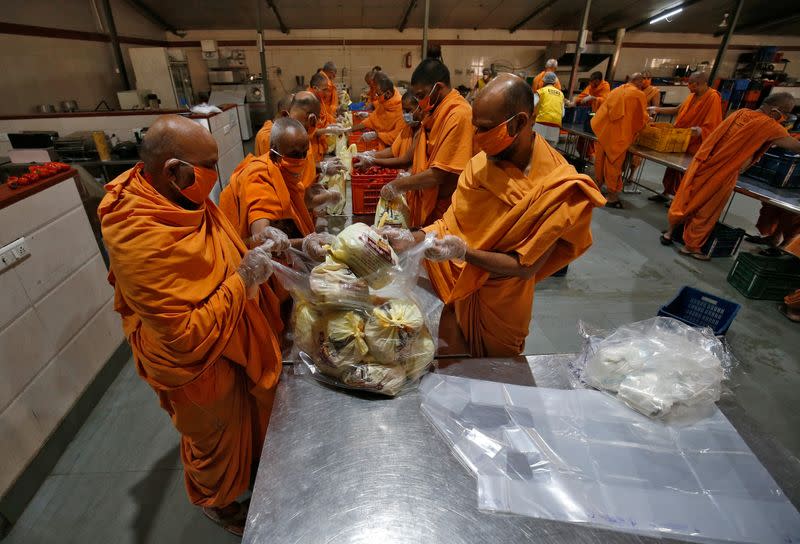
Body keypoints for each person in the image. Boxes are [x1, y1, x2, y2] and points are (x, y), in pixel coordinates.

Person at [98, 115, 287, 536]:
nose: (217, 177)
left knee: (243, 418)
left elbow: (219, 248)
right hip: (195, 366)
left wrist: (261, 245)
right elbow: (184, 335)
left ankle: (249, 468)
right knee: (214, 438)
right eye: (208, 167)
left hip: (230, 333)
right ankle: (217, 503)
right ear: (172, 171)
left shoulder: (179, 200)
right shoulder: (138, 232)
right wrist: (242, 279)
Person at [382, 74, 605, 356]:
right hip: (462, 295)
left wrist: (465, 253)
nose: (476, 138)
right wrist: (411, 238)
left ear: (520, 123)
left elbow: (524, 266)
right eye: (475, 127)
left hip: (503, 304)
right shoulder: (479, 165)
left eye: (485, 128)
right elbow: (449, 223)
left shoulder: (559, 187)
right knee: (454, 365)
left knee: (495, 379)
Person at [661, 92, 800, 260]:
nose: (785, 118)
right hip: (723, 172)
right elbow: (795, 147)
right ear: (775, 111)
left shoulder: (739, 113)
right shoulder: (768, 125)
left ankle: (669, 233)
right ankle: (691, 247)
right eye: (785, 113)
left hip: (703, 164)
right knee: (706, 210)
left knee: (687, 199)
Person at [380, 58, 473, 227]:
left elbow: (438, 174)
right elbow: (413, 156)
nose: (420, 102)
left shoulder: (458, 114)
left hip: (448, 205)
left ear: (438, 87)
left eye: (421, 95)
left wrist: (397, 185)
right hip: (428, 198)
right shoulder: (432, 111)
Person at [220, 117, 317, 243]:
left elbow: (295, 204)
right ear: (273, 151)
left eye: (305, 153)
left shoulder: (285, 171)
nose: (301, 160)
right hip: (249, 254)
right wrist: (305, 243)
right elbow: (261, 237)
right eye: (295, 154)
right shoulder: (258, 176)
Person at [648, 72, 723, 202]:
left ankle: (680, 200)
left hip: (696, 143)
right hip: (681, 138)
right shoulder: (692, 96)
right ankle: (666, 193)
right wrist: (657, 109)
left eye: (691, 84)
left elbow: (713, 124)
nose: (689, 87)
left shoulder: (712, 97)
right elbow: (677, 109)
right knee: (672, 169)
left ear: (700, 83)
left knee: (687, 173)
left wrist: (700, 131)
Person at [591, 72, 650, 208]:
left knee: (600, 162)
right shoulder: (638, 94)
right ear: (639, 81)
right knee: (613, 165)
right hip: (619, 135)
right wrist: (646, 122)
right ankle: (612, 196)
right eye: (643, 81)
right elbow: (641, 117)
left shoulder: (617, 90)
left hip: (604, 131)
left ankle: (596, 189)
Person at [356, 92, 420, 170]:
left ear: (420, 108)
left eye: (408, 110)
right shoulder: (407, 128)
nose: (405, 115)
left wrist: (373, 161)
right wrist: (370, 155)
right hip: (403, 171)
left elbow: (406, 159)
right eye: (403, 111)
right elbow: (393, 150)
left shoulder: (422, 131)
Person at [349, 72, 405, 149]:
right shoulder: (385, 101)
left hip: (391, 148)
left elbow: (395, 137)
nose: (377, 98)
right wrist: (349, 130)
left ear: (388, 93)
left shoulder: (401, 109)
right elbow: (373, 120)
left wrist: (377, 135)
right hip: (378, 143)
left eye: (378, 94)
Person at [533, 71, 565, 146]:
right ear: (555, 83)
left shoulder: (541, 91)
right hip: (555, 125)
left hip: (540, 123)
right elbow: (562, 114)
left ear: (543, 81)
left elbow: (532, 105)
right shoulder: (561, 94)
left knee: (537, 147)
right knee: (550, 150)